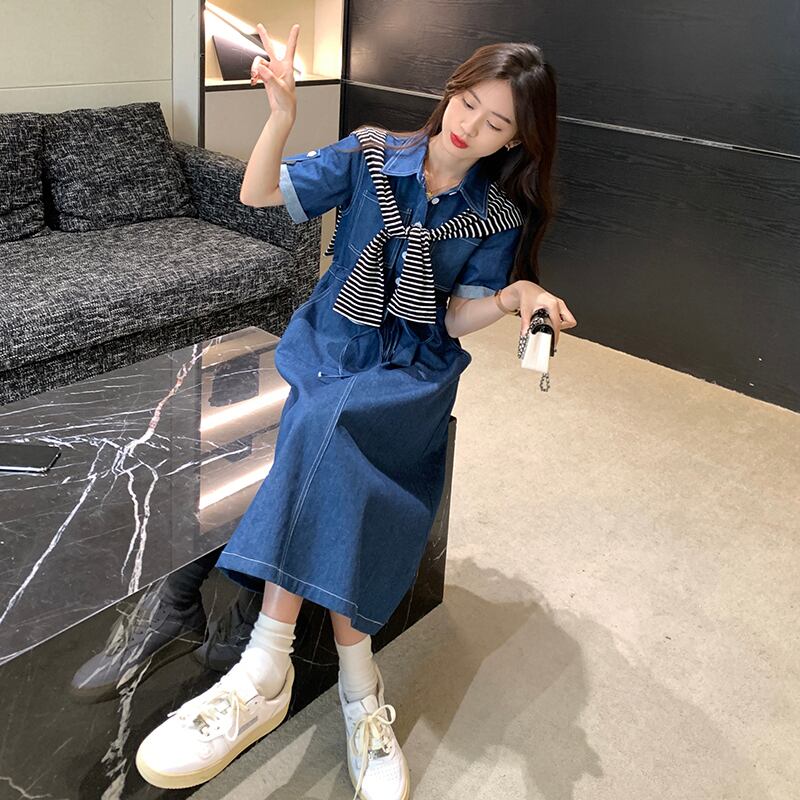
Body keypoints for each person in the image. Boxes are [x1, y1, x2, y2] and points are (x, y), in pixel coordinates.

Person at [135, 21, 577, 800]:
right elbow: (258, 194)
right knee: (328, 422)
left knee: (325, 425)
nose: (469, 126)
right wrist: (281, 115)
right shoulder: (371, 153)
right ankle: (358, 686)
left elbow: (452, 318)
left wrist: (513, 295)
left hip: (413, 364)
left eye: (495, 123)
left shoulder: (494, 217)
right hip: (334, 338)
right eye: (467, 103)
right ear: (451, 92)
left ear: (516, 141)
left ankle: (265, 669)